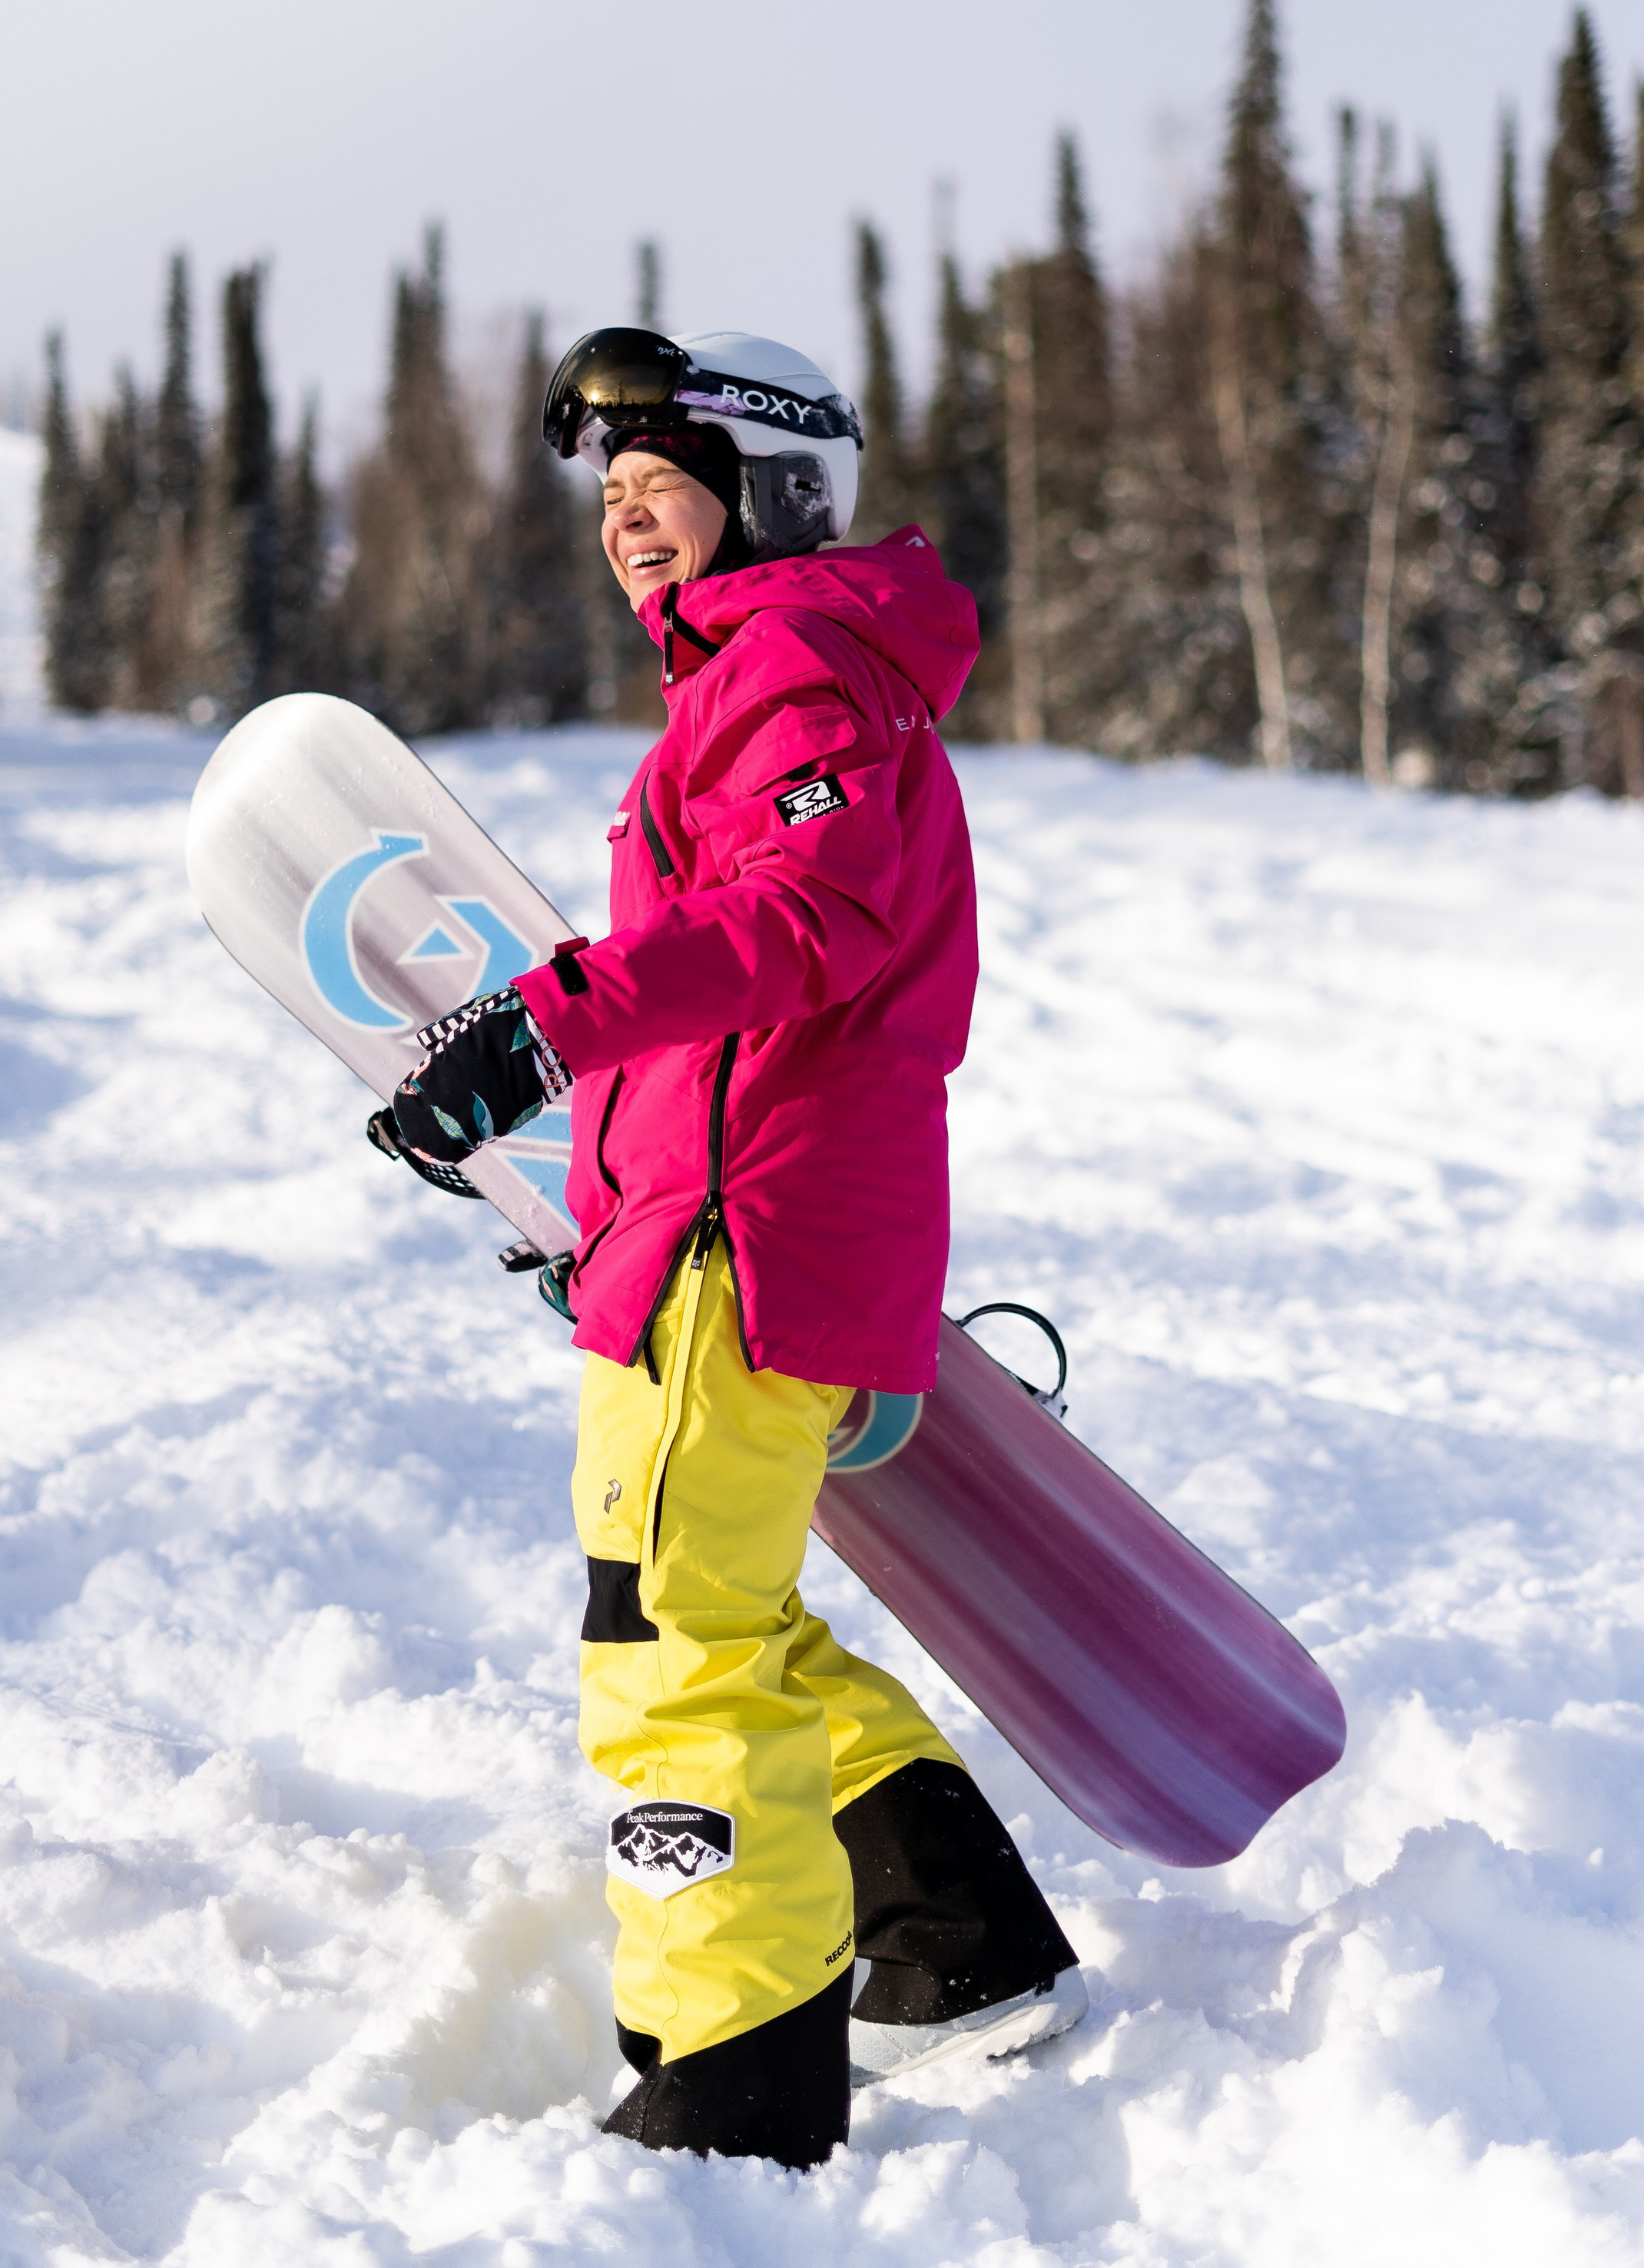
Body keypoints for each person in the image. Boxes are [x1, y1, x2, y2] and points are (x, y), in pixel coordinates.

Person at [378, 325, 1082, 2167]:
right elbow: (721, 1025)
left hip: (743, 1242)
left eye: (655, 490)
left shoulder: (796, 670)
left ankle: (733, 2073)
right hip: (704, 1229)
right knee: (737, 1627)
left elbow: (803, 920)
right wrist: (580, 1193)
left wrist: (546, 1025)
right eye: (606, 501)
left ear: (767, 491)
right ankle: (956, 1943)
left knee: (667, 1655)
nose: (623, 527)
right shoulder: (766, 682)